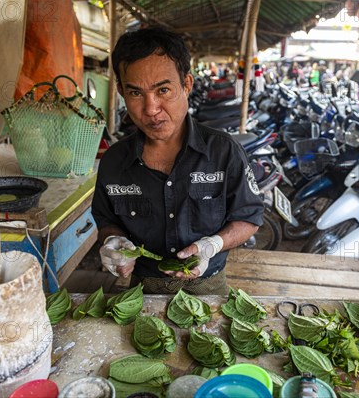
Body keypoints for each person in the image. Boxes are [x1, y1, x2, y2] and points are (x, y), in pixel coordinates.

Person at [92, 27, 264, 295]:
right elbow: (106, 219)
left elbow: (249, 217)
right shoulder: (114, 162)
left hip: (208, 286)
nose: (151, 109)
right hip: (142, 290)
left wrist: (213, 245)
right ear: (120, 91)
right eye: (135, 93)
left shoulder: (224, 152)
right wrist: (113, 241)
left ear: (186, 85)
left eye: (163, 90)